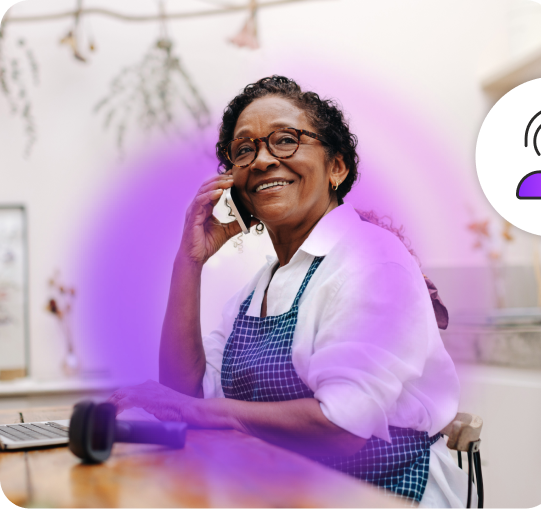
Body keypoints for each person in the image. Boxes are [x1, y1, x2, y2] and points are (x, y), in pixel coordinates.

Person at [109, 76, 471, 508]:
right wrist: (188, 264)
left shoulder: (373, 261)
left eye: (285, 140)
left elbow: (342, 429)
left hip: (384, 492)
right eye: (244, 150)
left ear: (337, 167)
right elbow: (185, 392)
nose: (262, 160)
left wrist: (194, 411)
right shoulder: (262, 283)